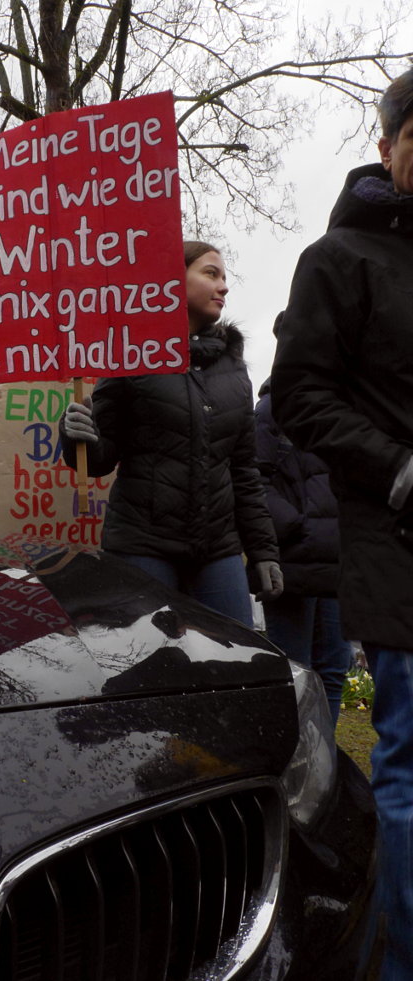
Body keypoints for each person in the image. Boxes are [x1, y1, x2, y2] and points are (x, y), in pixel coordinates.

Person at [271, 68, 413, 981]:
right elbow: (298, 397)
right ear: (389, 142)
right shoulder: (340, 260)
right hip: (398, 546)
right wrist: (399, 471)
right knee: (406, 761)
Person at [59, 239, 282, 627]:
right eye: (211, 273)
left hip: (219, 551)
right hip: (143, 548)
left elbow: (245, 472)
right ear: (172, 281)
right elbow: (99, 460)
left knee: (235, 670)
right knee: (150, 666)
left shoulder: (234, 371)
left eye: (225, 277)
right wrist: (76, 433)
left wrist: (264, 552)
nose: (224, 286)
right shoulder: (131, 353)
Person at [255, 317, 352, 725]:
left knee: (333, 670)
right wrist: (296, 527)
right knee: (294, 672)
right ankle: (297, 765)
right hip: (293, 562)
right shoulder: (273, 407)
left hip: (339, 563)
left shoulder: (345, 407)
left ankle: (325, 765)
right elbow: (250, 477)